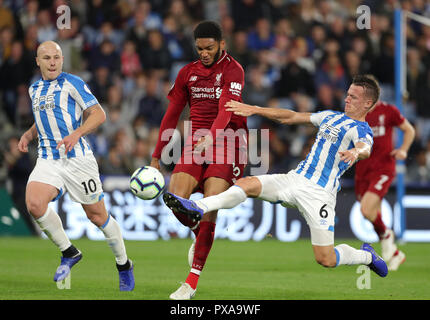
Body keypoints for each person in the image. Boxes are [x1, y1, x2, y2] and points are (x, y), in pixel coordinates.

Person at [163, 75, 389, 297]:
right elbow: (290, 116)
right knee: (247, 183)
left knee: (326, 259)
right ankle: (198, 206)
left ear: (367, 103)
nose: (347, 99)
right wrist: (255, 109)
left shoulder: (362, 130)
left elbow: (365, 148)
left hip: (319, 195)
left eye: (353, 97)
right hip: (294, 180)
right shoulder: (330, 117)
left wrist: (355, 152)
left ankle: (367, 256)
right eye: (348, 94)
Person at [18, 41, 134, 291]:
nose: (52, 62)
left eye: (56, 58)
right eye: (47, 58)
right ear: (37, 61)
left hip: (78, 159)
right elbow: (44, 120)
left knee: (97, 216)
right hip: (49, 158)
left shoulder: (73, 83)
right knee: (34, 204)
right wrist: (29, 135)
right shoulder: (34, 89)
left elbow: (99, 114)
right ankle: (69, 252)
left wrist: (76, 134)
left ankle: (124, 264)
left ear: (62, 60)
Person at [150, 21, 247, 300]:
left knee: (208, 207)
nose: (204, 53)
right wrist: (157, 155)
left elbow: (226, 111)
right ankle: (197, 230)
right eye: (200, 48)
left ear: (221, 45)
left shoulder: (234, 70)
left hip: (228, 143)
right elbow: (172, 115)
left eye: (209, 48)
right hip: (196, 143)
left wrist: (212, 138)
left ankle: (190, 282)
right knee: (176, 199)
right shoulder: (186, 73)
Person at [354, 101, 415, 270]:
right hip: (362, 170)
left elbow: (409, 129)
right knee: (371, 213)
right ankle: (395, 254)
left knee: (366, 209)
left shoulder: (388, 111)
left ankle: (387, 235)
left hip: (383, 169)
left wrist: (403, 149)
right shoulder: (356, 113)